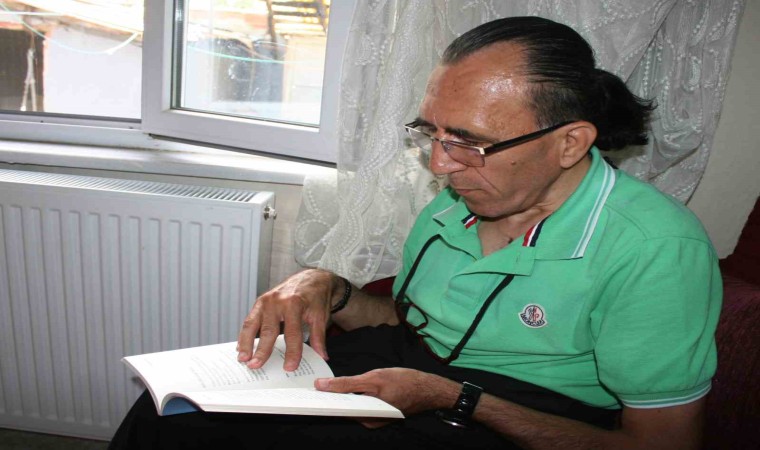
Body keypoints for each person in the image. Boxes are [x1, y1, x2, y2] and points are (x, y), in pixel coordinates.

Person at [109, 16, 721, 450]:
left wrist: (452, 397)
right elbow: (412, 321)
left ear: (570, 143)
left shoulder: (656, 251)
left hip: (528, 416)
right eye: (433, 133)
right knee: (174, 412)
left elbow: (662, 445)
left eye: (471, 142)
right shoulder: (461, 200)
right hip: (414, 371)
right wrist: (328, 286)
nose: (440, 165)